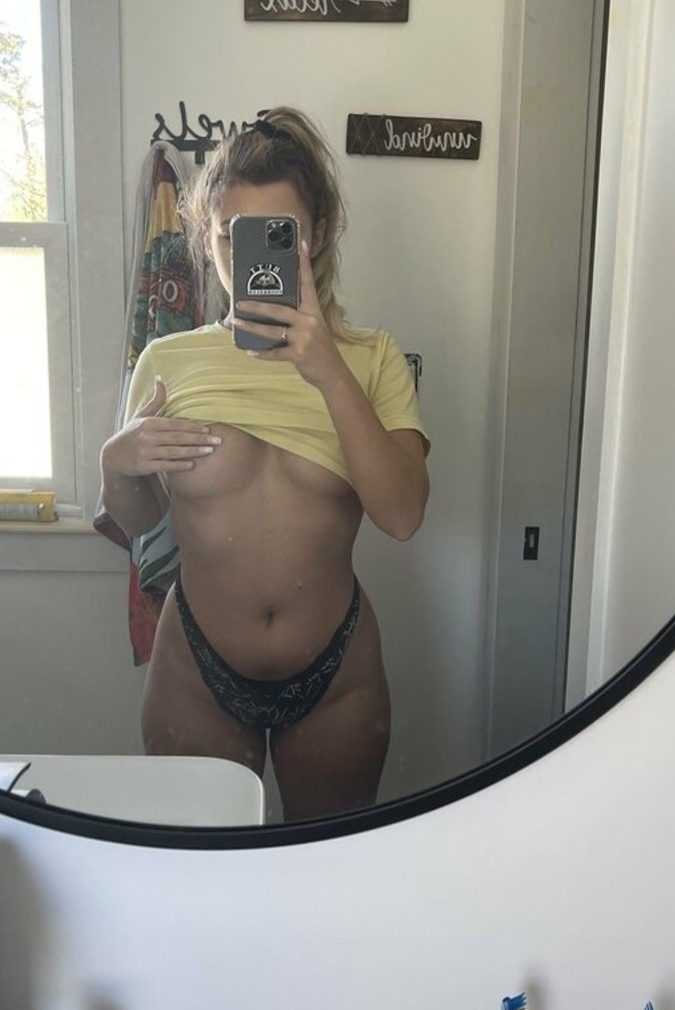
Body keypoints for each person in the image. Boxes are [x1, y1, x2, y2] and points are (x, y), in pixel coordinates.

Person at [98, 107, 430, 820]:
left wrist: (327, 370)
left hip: (336, 675)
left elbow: (403, 514)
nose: (249, 258)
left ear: (316, 237)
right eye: (230, 235)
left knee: (327, 869)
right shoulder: (168, 360)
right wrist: (116, 467)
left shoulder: (371, 358)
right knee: (205, 871)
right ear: (207, 237)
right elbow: (141, 521)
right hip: (197, 670)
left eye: (277, 235)